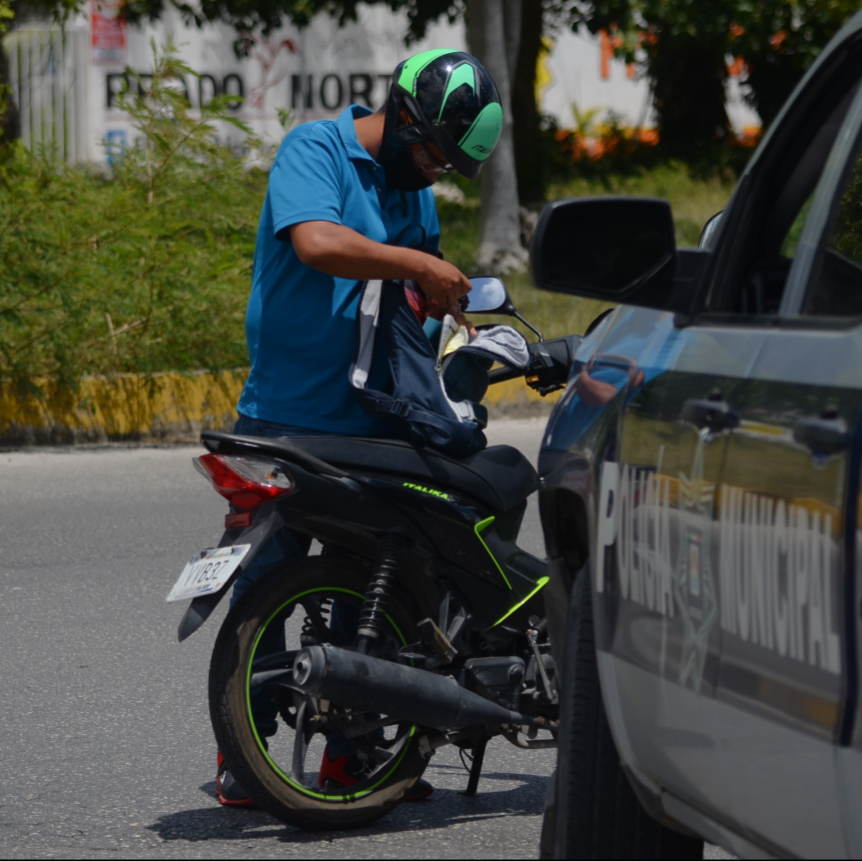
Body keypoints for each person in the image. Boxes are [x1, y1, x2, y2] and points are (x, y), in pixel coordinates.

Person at [215, 48, 504, 807]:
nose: (436, 168)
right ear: (404, 116)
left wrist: (463, 333)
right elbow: (316, 243)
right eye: (434, 150)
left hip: (369, 422)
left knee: (373, 584)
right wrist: (413, 264)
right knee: (260, 582)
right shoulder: (317, 148)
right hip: (281, 416)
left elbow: (420, 300)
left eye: (449, 161)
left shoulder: (418, 198)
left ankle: (354, 749)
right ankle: (240, 755)